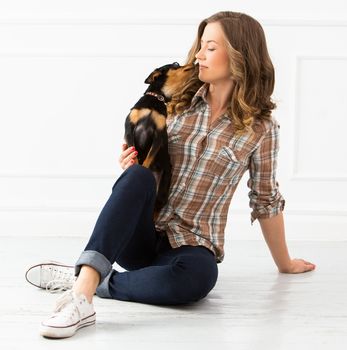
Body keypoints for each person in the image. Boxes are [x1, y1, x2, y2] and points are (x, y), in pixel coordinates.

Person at [25, 11, 316, 339]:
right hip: (141, 236)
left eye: (210, 48)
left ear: (239, 56)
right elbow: (143, 161)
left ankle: (92, 278)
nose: (198, 56)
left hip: (192, 243)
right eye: (200, 46)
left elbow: (265, 199)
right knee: (137, 178)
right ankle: (81, 297)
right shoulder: (174, 100)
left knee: (200, 279)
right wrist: (131, 162)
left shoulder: (261, 129)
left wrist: (285, 263)